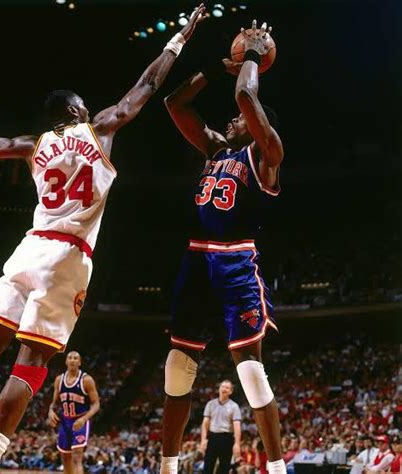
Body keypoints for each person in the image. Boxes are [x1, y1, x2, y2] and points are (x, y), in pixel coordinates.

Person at [0, 6, 206, 472]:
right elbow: (147, 86)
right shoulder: (99, 128)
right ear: (76, 111)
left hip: (28, 248)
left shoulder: (33, 144)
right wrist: (179, 39)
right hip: (68, 256)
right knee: (29, 366)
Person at [160, 20, 285, 474]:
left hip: (235, 260)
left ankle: (276, 468)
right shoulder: (214, 150)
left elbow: (246, 99)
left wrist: (252, 56)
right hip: (197, 258)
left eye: (239, 121)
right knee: (177, 365)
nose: (230, 120)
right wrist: (219, 66)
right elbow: (175, 103)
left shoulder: (266, 154)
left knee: (249, 371)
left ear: (255, 127)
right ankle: (168, 466)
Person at [48, 351, 100, 474]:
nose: (72, 360)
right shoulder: (59, 380)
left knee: (77, 457)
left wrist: (84, 419)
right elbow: (54, 403)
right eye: (70, 358)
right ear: (66, 362)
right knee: (65, 458)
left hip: (80, 421)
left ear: (79, 362)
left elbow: (96, 404)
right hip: (65, 421)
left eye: (75, 358)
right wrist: (50, 411)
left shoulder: (87, 380)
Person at [199, 380, 241, 474]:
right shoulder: (210, 404)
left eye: (227, 388)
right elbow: (205, 423)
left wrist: (237, 444)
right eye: (222, 387)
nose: (224, 389)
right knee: (208, 466)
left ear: (231, 391)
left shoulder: (234, 406)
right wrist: (203, 440)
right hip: (212, 437)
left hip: (227, 438)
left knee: (224, 467)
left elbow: (237, 426)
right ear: (219, 389)